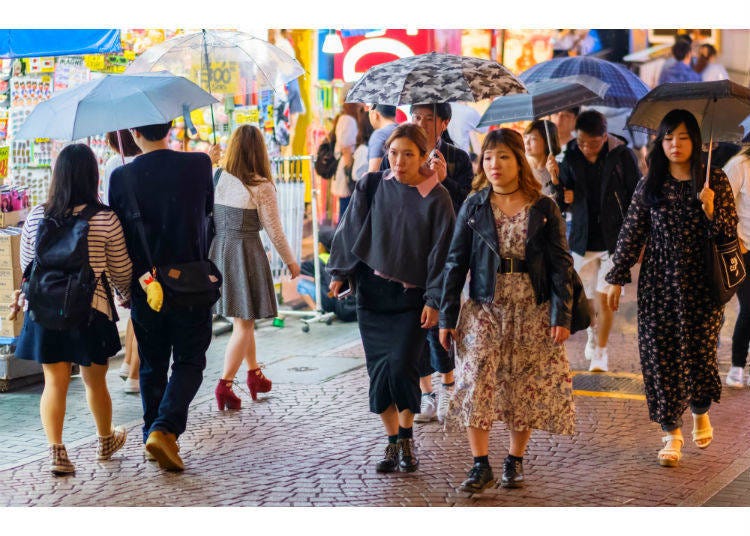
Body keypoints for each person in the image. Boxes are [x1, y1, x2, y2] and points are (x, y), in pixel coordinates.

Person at [439, 128, 575, 492]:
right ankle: (480, 464)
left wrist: (561, 315)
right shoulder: (474, 205)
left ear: (518, 161)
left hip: (531, 309)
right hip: (485, 308)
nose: (494, 164)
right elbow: (456, 263)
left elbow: (562, 265)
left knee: (524, 386)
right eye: (488, 157)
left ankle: (514, 461)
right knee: (475, 382)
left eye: (503, 157)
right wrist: (446, 315)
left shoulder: (543, 207)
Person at [605, 109, 736, 467]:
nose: (674, 144)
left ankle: (699, 409)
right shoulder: (650, 185)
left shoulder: (715, 182)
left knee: (699, 354)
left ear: (696, 141)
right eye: (667, 138)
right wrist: (617, 276)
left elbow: (728, 236)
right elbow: (631, 232)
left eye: (681, 137)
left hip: (702, 286)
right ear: (659, 143)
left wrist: (711, 210)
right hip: (658, 283)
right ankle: (671, 433)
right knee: (659, 357)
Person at [327, 123, 455, 474]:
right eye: (393, 153)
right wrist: (339, 274)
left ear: (423, 156)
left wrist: (434, 299)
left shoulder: (437, 196)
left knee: (402, 368)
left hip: (411, 299)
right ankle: (393, 442)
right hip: (372, 295)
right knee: (380, 373)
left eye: (408, 154)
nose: (398, 161)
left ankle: (407, 435)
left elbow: (442, 253)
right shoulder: (371, 185)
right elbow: (350, 228)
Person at [14, 144, 133, 475]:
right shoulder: (106, 217)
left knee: (55, 382)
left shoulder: (37, 215)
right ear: (93, 177)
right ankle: (105, 440)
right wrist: (126, 296)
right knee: (96, 382)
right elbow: (120, 268)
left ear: (58, 175)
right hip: (90, 311)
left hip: (46, 310)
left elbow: (28, 267)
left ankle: (57, 452)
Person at [108, 121, 214, 472]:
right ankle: (164, 430)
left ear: (134, 133)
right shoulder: (200, 165)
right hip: (192, 282)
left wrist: (125, 286)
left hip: (145, 284)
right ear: (169, 126)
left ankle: (153, 435)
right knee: (190, 361)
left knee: (152, 366)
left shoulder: (120, 178)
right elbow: (208, 217)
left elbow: (121, 237)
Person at [381, 103, 472, 424]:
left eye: (428, 118)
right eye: (415, 117)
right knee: (413, 327)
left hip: (444, 255)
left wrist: (445, 181)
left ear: (444, 123)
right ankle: (426, 391)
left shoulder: (458, 158)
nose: (420, 122)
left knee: (440, 324)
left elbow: (467, 209)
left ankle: (448, 384)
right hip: (405, 259)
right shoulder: (396, 152)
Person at [210, 125, 300, 410]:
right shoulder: (260, 185)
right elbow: (275, 231)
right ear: (259, 151)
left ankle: (254, 374)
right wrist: (291, 261)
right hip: (245, 251)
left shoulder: (217, 177)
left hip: (219, 250)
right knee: (245, 322)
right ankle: (224, 384)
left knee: (242, 320)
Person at [559, 110, 640, 372]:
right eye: (581, 142)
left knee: (605, 298)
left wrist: (635, 239)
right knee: (586, 298)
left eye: (592, 144)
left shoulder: (622, 155)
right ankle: (593, 332)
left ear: (605, 137)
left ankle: (601, 352)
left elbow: (636, 196)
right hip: (582, 239)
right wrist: (556, 181)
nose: (586, 149)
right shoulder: (570, 154)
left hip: (613, 239)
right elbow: (559, 198)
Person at [103, 129, 142, 395]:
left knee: (135, 306)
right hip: (138, 244)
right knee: (144, 308)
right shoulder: (135, 164)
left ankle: (128, 363)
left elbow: (108, 201)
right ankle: (135, 374)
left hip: (119, 241)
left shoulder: (111, 165)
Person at [724, 146, 750, 388]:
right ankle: (737, 365)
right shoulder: (740, 164)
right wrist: (735, 238)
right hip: (744, 249)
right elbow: (723, 204)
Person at [331, 103, 363, 220]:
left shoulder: (347, 118)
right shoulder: (348, 120)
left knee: (346, 209)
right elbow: (346, 149)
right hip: (346, 169)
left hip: (346, 168)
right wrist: (349, 174)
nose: (361, 104)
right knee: (346, 211)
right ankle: (342, 237)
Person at [523, 119, 562, 197]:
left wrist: (554, 178)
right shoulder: (520, 167)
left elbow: (562, 202)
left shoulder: (558, 168)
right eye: (525, 137)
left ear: (548, 142)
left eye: (533, 138)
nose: (526, 142)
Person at [367, 104, 398, 172]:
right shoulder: (403, 130)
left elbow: (374, 171)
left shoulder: (379, 135)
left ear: (375, 115)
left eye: (369, 113)